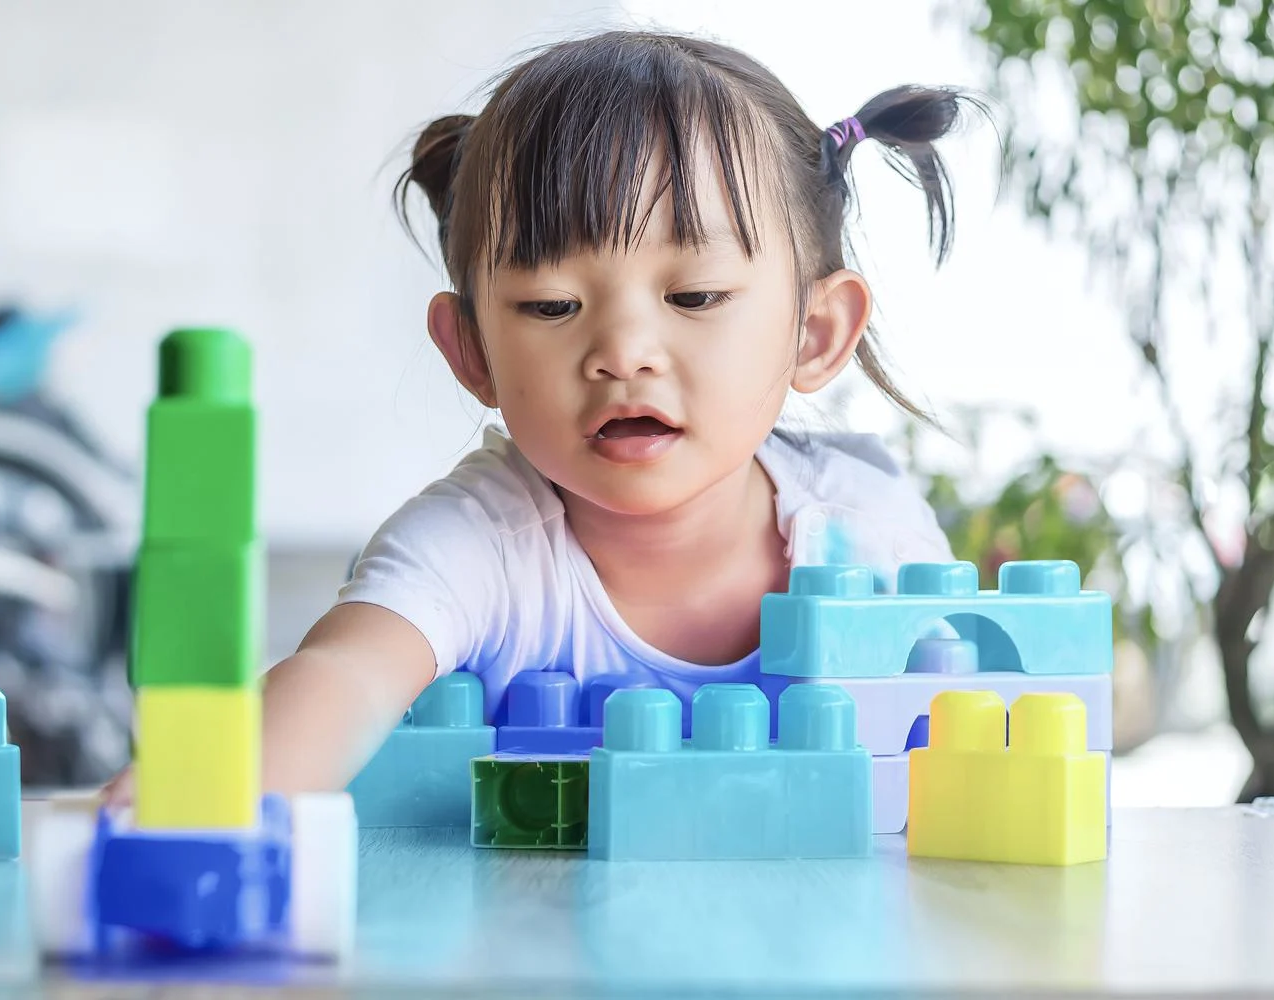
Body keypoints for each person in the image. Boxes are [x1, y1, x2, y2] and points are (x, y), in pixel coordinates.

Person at [107, 28, 976, 803]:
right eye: (553, 305)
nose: (623, 351)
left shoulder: (872, 536)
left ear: (815, 333)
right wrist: (204, 794)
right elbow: (348, 672)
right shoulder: (481, 543)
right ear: (473, 351)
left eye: (696, 294)